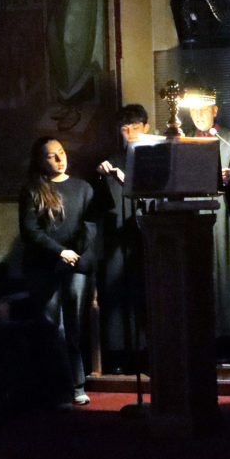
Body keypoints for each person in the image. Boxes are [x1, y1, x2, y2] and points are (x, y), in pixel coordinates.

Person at [19, 136, 96, 406]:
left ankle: (77, 385)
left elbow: (90, 227)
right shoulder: (33, 190)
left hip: (76, 266)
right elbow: (30, 231)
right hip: (44, 267)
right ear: (41, 161)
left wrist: (80, 256)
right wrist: (59, 251)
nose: (60, 159)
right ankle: (62, 388)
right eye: (51, 156)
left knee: (74, 327)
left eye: (61, 152)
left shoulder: (83, 188)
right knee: (54, 328)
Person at [189, 97, 230, 363]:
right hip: (192, 217)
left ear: (215, 110)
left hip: (224, 217)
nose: (199, 115)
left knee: (226, 278)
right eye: (194, 110)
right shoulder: (184, 140)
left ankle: (229, 343)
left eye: (204, 110)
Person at [95, 104, 149, 373]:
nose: (130, 134)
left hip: (145, 238)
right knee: (118, 296)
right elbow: (99, 205)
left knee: (145, 295)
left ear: (146, 128)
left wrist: (125, 179)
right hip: (117, 238)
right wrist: (101, 176)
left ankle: (145, 354)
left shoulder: (153, 159)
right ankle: (118, 356)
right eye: (125, 129)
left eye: (135, 128)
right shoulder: (111, 161)